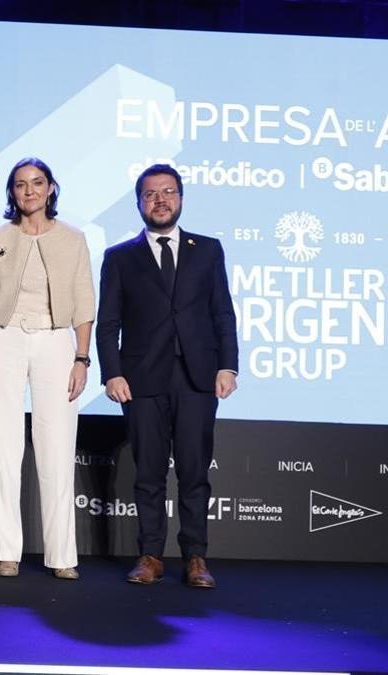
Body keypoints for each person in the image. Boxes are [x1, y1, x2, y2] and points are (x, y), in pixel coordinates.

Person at [96, 163, 238, 588]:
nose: (160, 200)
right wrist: (112, 374)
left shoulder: (208, 250)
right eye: (151, 194)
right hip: (141, 379)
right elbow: (108, 323)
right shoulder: (119, 257)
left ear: (180, 197)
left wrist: (228, 365)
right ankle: (151, 555)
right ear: (139, 202)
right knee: (148, 474)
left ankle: (196, 558)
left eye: (168, 192)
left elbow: (222, 313)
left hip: (198, 378)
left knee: (194, 472)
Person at [0, 158, 95, 580]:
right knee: (3, 446)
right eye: (21, 185)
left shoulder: (73, 240)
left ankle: (62, 556)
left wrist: (81, 357)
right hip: (3, 340)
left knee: (56, 446)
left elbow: (83, 301)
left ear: (51, 188)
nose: (29, 191)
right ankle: (6, 550)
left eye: (37, 183)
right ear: (12, 192)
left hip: (56, 341)